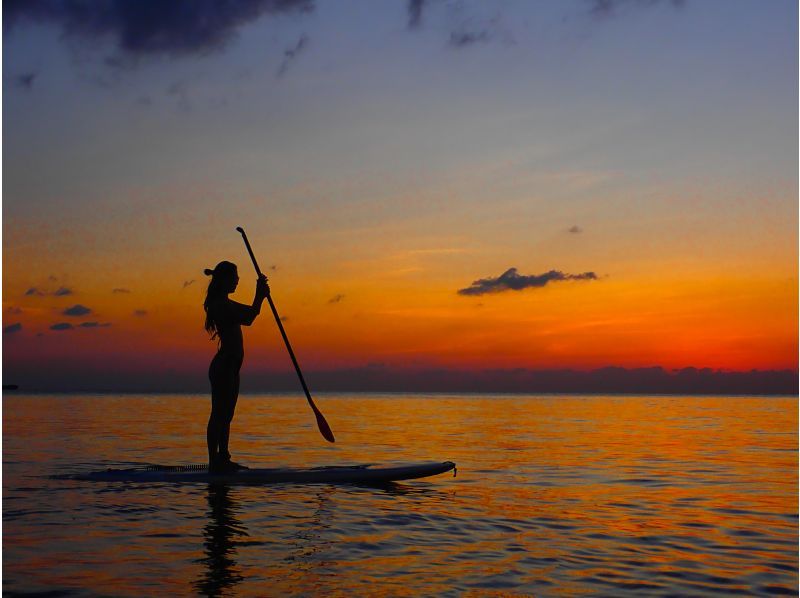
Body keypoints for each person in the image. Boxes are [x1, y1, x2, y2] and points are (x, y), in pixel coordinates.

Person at [203, 261, 269, 472]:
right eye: (235, 276)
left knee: (227, 414)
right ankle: (215, 462)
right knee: (219, 414)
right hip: (224, 367)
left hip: (231, 368)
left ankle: (223, 457)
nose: (238, 280)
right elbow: (249, 317)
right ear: (224, 280)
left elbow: (250, 313)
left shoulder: (225, 303)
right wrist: (260, 295)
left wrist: (260, 296)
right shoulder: (221, 305)